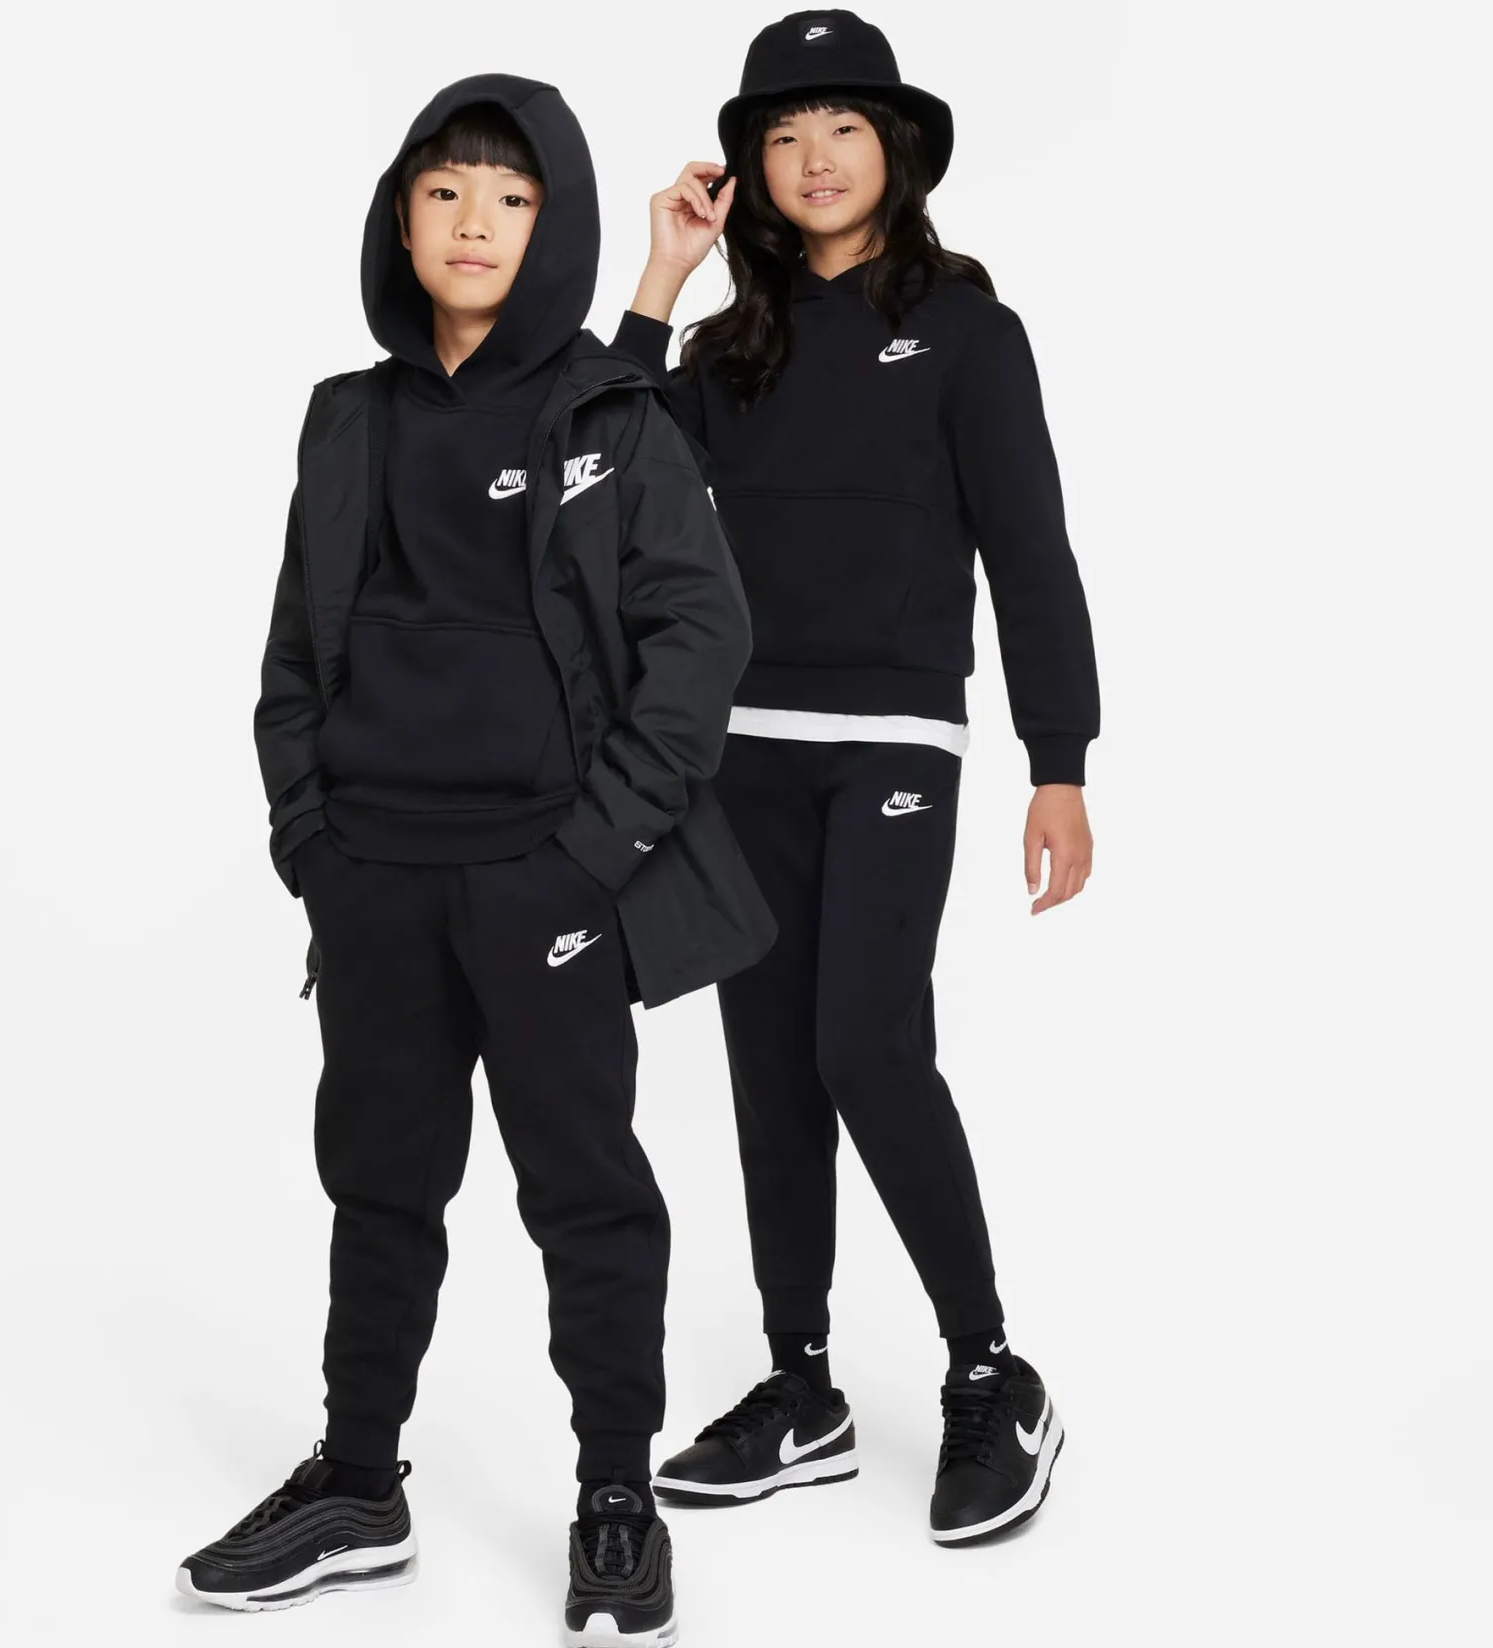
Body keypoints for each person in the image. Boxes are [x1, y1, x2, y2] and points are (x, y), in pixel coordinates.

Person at [176, 74, 773, 1643]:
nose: (474, 222)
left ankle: (617, 1495)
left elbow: (702, 637)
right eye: (445, 191)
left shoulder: (609, 416)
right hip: (371, 876)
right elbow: (292, 654)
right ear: (401, 217)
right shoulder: (349, 418)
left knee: (586, 1194)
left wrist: (593, 855)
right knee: (378, 1187)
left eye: (511, 199)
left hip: (545, 880)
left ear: (551, 231)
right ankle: (357, 1482)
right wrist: (311, 838)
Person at [608, 11, 1100, 1544]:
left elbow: (1030, 550)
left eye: (841, 126)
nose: (813, 156)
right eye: (782, 133)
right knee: (771, 1073)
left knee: (866, 1049)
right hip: (739, 756)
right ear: (749, 167)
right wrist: (660, 280)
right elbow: (598, 474)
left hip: (893, 743)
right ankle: (802, 1384)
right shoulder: (725, 353)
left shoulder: (965, 331)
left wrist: (1060, 762)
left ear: (895, 149)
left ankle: (991, 1370)